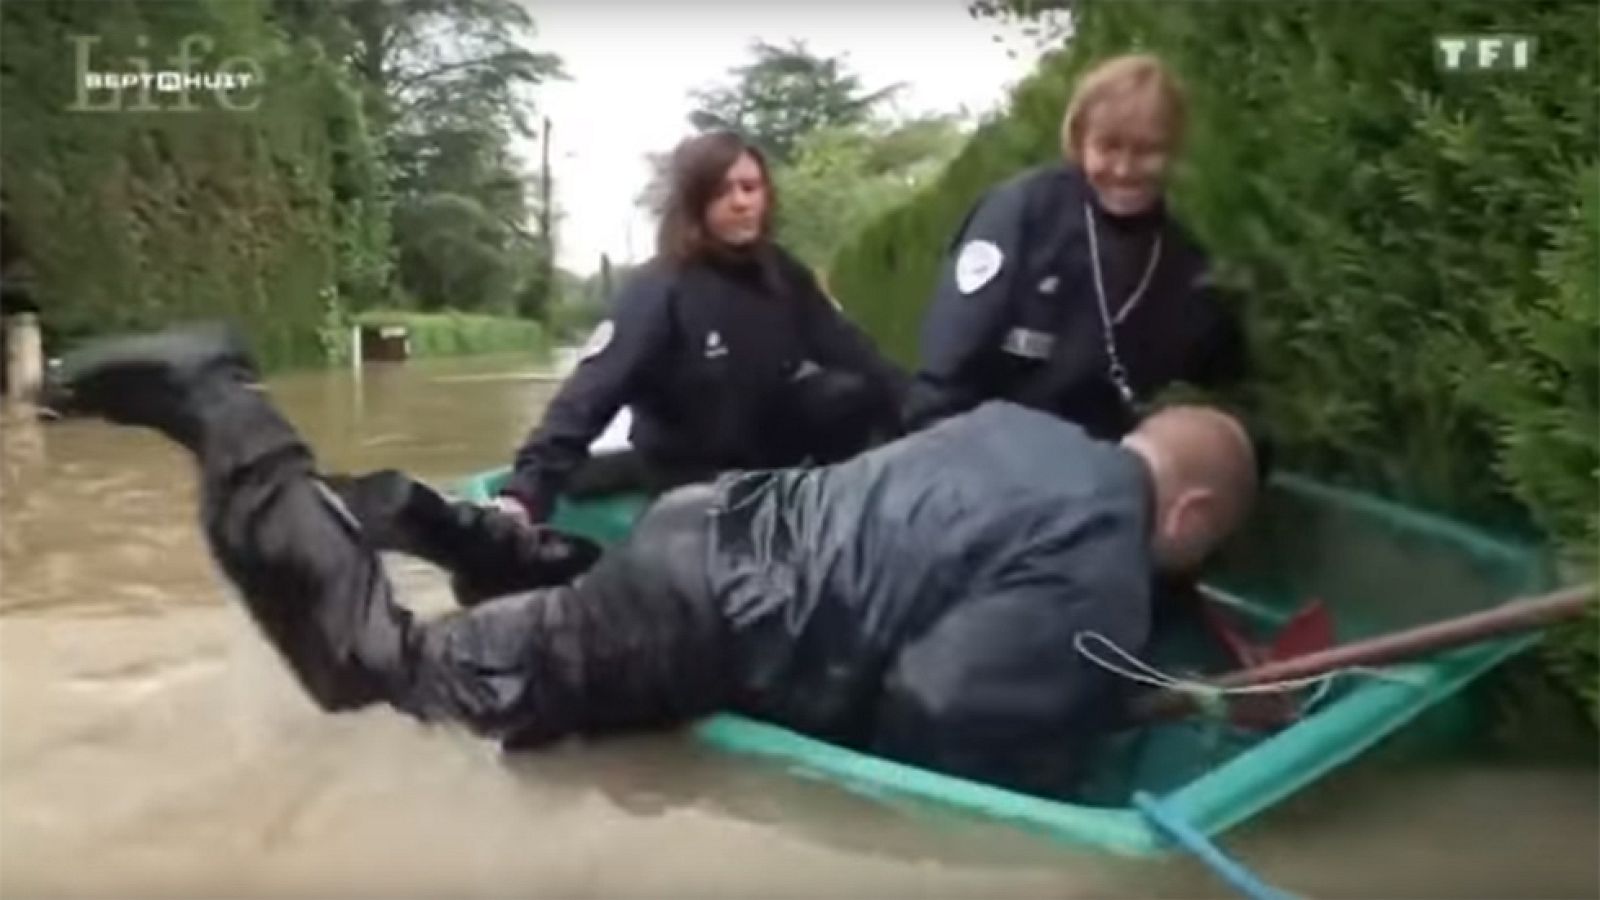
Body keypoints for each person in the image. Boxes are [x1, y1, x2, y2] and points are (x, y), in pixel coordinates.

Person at [42, 321, 1257, 799]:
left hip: (704, 525)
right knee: (383, 673)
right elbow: (940, 708)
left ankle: (437, 522)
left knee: (569, 614)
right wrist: (1065, 731)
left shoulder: (1019, 427)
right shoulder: (1105, 556)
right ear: (1193, 509)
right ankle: (222, 405)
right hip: (704, 611)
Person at [499, 130, 908, 524]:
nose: (741, 202)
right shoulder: (658, 288)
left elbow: (855, 352)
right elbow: (590, 393)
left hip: (768, 457)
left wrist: (933, 414)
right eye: (722, 191)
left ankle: (840, 511)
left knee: (849, 393)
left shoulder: (783, 275)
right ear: (695, 203)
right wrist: (525, 493)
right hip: (689, 474)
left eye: (750, 188)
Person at [903, 53, 1249, 441]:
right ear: (1079, 140)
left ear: (1173, 152)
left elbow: (1222, 392)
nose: (1124, 169)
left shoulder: (1185, 262)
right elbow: (946, 380)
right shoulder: (1020, 215)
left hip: (1109, 464)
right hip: (990, 450)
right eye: (1109, 147)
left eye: (1147, 150)